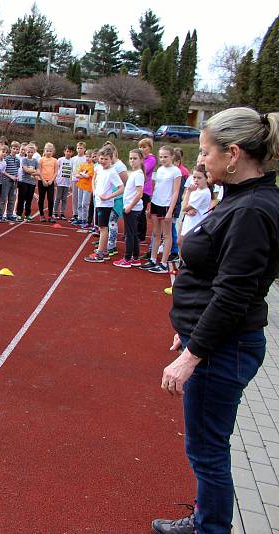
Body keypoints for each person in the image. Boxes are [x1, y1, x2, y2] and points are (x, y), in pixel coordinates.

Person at [152, 109, 279, 534]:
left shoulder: (252, 210)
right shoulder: (245, 200)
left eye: (206, 152)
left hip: (225, 349)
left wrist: (193, 354)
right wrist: (187, 325)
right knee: (206, 446)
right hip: (220, 341)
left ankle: (210, 528)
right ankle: (206, 520)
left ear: (234, 154)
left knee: (207, 450)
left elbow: (233, 294)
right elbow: (216, 280)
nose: (201, 161)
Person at [140, 146, 181, 274]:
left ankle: (163, 264)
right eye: (161, 156)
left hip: (166, 205)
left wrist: (170, 211)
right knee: (156, 234)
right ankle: (153, 259)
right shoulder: (160, 169)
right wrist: (150, 205)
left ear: (172, 157)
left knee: (167, 235)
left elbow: (175, 193)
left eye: (165, 156)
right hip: (156, 203)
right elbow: (155, 188)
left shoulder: (176, 172)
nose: (162, 159)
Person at [84, 145, 123, 263]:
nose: (103, 161)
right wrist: (94, 191)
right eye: (101, 158)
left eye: (106, 159)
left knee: (103, 228)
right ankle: (104, 251)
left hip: (106, 204)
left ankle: (100, 254)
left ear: (111, 159)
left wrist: (108, 196)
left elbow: (121, 188)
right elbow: (94, 178)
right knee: (101, 227)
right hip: (99, 202)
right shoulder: (98, 168)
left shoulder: (112, 172)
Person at [113, 148, 144, 268]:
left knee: (130, 235)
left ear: (141, 160)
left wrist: (129, 207)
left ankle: (127, 258)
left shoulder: (139, 174)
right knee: (134, 234)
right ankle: (136, 258)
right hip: (131, 208)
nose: (132, 161)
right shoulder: (134, 173)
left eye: (135, 158)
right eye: (130, 158)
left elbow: (139, 193)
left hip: (132, 209)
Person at [105, 142, 129, 257]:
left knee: (112, 221)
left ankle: (111, 246)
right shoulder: (109, 165)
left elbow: (126, 183)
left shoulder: (119, 166)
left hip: (117, 198)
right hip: (108, 198)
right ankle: (109, 242)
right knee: (108, 222)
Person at [178, 164, 212, 242]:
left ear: (206, 178)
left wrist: (188, 192)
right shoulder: (197, 190)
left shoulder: (202, 193)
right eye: (194, 177)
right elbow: (187, 208)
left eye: (199, 178)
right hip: (190, 225)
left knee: (185, 248)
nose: (196, 180)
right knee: (180, 243)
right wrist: (187, 211)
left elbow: (184, 207)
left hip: (194, 226)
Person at [138, 137, 157, 246]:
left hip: (145, 190)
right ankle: (135, 232)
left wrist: (140, 160)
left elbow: (143, 169)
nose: (141, 149)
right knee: (135, 212)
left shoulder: (151, 159)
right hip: (138, 188)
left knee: (141, 212)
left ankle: (141, 235)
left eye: (144, 147)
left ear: (149, 148)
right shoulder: (141, 158)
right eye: (140, 147)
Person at [0, 141, 21, 222]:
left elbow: (17, 169)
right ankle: (0, 215)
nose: (15, 150)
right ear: (11, 148)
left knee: (12, 198)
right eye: (13, 148)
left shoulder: (18, 160)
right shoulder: (6, 158)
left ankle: (9, 214)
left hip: (14, 181)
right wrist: (10, 176)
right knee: (3, 198)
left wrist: (16, 177)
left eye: (17, 149)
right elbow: (3, 170)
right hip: (6, 180)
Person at [16, 143, 39, 221]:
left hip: (32, 183)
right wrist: (34, 171)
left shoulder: (35, 161)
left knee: (29, 199)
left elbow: (38, 172)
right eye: (28, 152)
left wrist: (32, 171)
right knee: (21, 198)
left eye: (32, 152)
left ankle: (27, 214)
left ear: (34, 152)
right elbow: (25, 169)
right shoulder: (24, 160)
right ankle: (19, 214)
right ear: (26, 152)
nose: (30, 153)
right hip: (24, 181)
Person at [74, 149, 95, 228]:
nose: (88, 158)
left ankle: (85, 220)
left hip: (87, 187)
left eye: (89, 157)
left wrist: (82, 174)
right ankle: (80, 218)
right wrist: (83, 174)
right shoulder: (83, 164)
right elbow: (76, 175)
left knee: (84, 204)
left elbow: (87, 176)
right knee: (79, 203)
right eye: (87, 156)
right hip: (80, 185)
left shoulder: (92, 166)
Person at [38, 142, 58, 222]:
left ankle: (50, 215)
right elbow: (39, 171)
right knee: (41, 199)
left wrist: (51, 181)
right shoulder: (41, 160)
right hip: (42, 181)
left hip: (50, 182)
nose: (48, 152)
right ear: (44, 151)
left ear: (53, 151)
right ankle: (42, 215)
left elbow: (56, 172)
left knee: (50, 199)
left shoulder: (55, 160)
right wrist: (43, 180)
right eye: (47, 150)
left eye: (50, 151)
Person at [54, 145, 74, 221]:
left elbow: (72, 172)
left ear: (72, 153)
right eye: (67, 151)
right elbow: (56, 170)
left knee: (64, 199)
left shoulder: (72, 161)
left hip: (67, 183)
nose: (68, 153)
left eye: (70, 152)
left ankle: (62, 213)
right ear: (64, 151)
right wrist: (55, 180)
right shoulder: (60, 160)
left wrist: (71, 184)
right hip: (60, 182)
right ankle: (55, 212)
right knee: (58, 198)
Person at [69, 142, 88, 223]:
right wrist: (70, 182)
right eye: (78, 148)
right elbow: (71, 171)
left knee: (82, 199)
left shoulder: (85, 159)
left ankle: (82, 215)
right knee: (75, 198)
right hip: (74, 180)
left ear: (84, 149)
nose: (79, 150)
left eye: (81, 148)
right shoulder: (73, 159)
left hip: (82, 180)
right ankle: (75, 214)